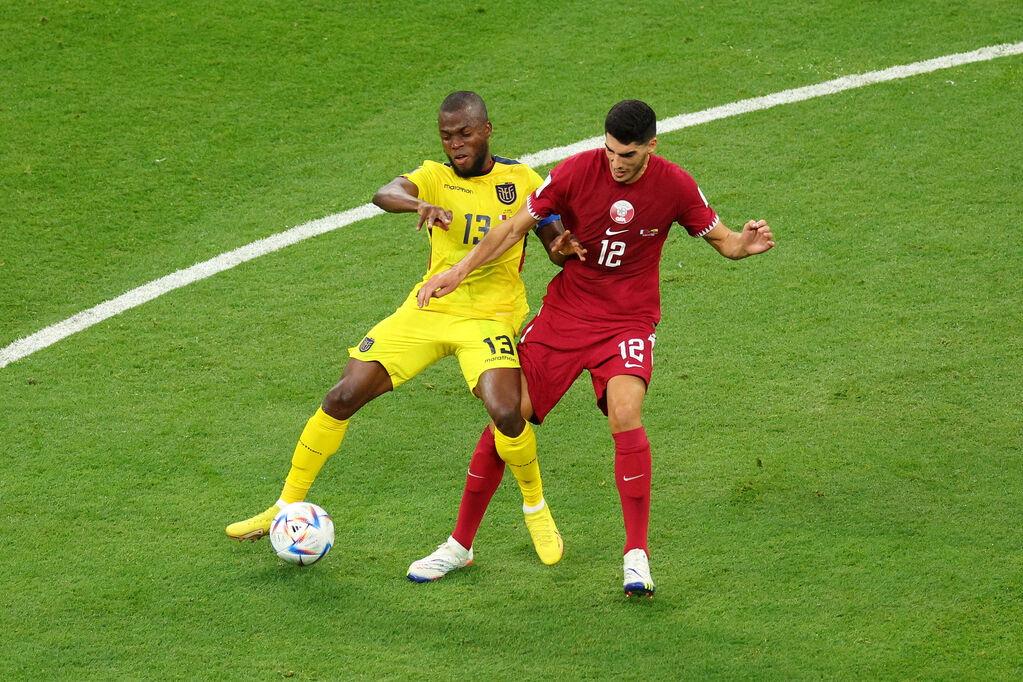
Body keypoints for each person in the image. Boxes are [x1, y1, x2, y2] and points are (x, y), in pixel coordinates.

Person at [415, 99, 775, 596]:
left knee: (625, 413)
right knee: (508, 414)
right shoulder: (574, 172)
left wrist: (746, 243)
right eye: (610, 151)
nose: (616, 163)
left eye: (627, 154)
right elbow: (513, 228)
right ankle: (460, 544)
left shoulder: (675, 185)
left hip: (628, 320)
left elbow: (725, 241)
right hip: (567, 314)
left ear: (651, 145)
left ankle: (636, 557)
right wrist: (456, 272)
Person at [225, 91, 567, 579]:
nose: (455, 145)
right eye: (447, 136)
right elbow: (384, 193)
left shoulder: (522, 179)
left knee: (507, 410)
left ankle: (536, 509)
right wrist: (418, 204)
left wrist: (562, 249)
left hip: (491, 316)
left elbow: (552, 239)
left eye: (465, 134)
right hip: (428, 307)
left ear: (487, 130)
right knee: (342, 395)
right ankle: (283, 506)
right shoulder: (435, 175)